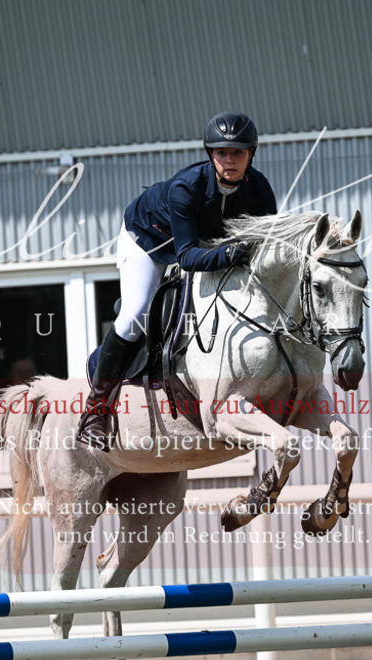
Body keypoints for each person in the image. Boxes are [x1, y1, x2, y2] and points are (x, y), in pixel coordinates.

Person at [77, 111, 278, 451]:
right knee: (136, 312)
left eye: (238, 153)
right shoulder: (187, 188)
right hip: (149, 240)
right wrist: (232, 255)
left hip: (203, 244)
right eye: (221, 153)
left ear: (251, 154)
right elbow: (187, 257)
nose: (229, 160)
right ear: (209, 154)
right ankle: (95, 412)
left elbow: (265, 245)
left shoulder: (259, 190)